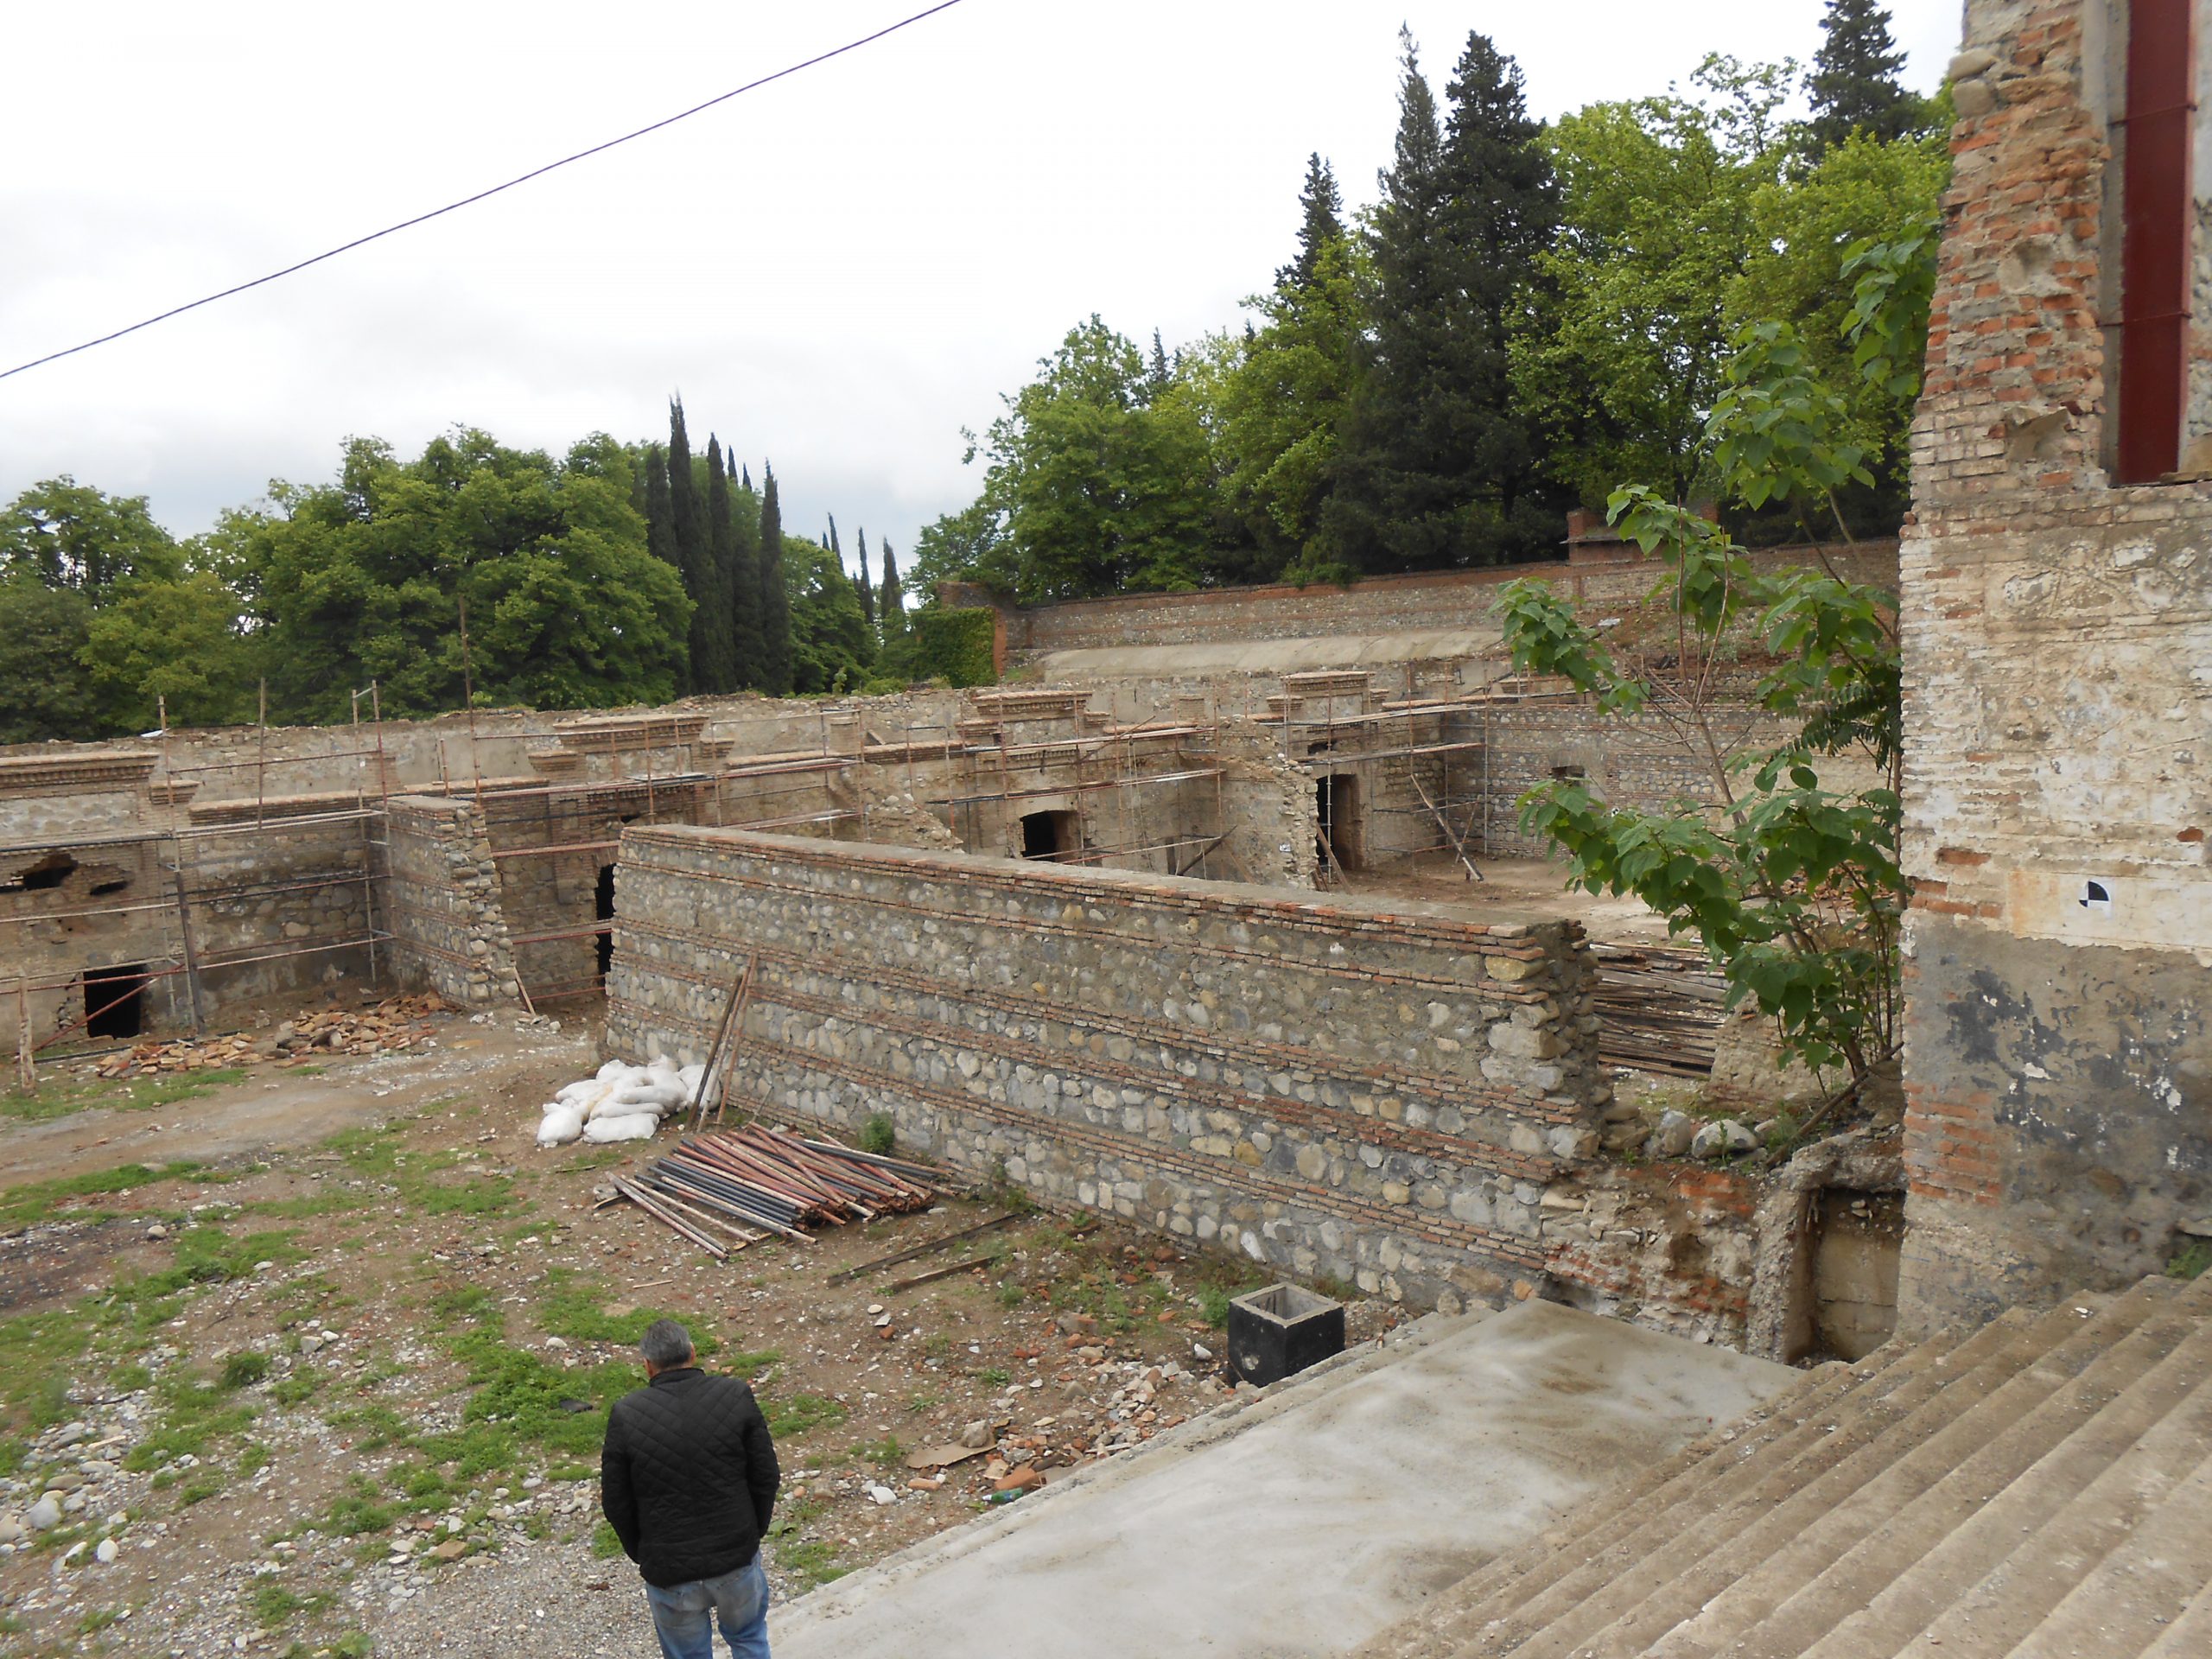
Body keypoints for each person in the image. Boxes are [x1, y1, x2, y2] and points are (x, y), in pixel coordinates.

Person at [601, 1318, 781, 1659]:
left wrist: (644, 1552)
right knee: (749, 1637)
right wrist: (751, 1532)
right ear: (693, 1353)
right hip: (736, 1558)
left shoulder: (626, 1414)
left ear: (648, 1366)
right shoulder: (736, 1395)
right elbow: (766, 1476)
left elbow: (615, 1501)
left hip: (670, 1570)